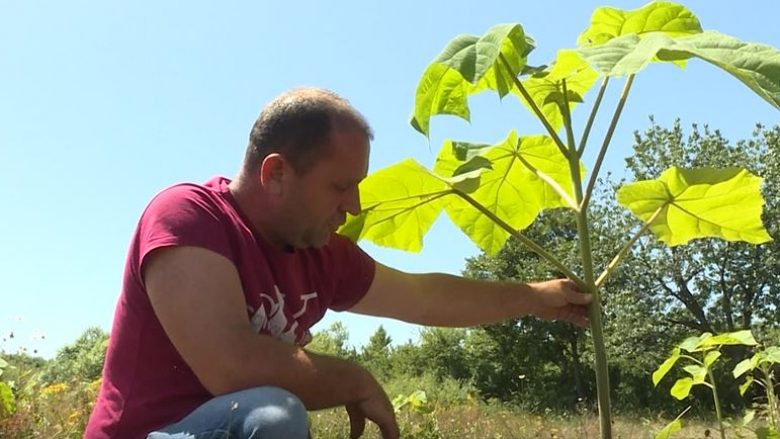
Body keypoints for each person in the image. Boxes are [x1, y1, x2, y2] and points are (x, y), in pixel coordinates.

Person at [84, 87, 592, 439]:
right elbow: (232, 366)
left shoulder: (320, 252)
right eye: (340, 185)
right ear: (277, 173)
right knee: (274, 415)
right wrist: (354, 378)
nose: (353, 207)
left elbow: (422, 297)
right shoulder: (188, 218)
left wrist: (534, 297)